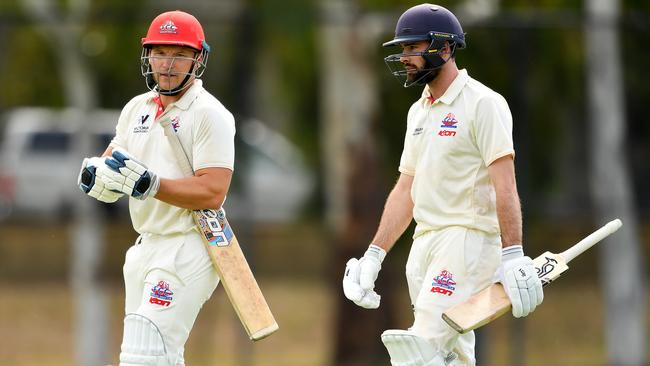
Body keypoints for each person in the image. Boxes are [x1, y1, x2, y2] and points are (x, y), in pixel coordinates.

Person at [342, 4, 543, 365]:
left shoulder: (483, 103)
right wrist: (375, 254)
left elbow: (505, 185)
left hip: (467, 242)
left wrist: (513, 254)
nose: (404, 57)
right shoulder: (418, 112)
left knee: (417, 352)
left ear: (445, 48)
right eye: (402, 49)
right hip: (424, 246)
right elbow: (406, 191)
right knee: (451, 357)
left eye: (412, 48)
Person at [77, 10, 235, 365]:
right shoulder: (137, 109)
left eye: (179, 54)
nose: (167, 64)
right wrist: (97, 176)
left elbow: (213, 191)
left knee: (147, 355)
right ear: (147, 55)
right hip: (145, 245)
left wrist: (152, 185)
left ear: (198, 59)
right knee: (147, 356)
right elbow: (114, 163)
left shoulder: (210, 114)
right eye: (160, 52)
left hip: (189, 243)